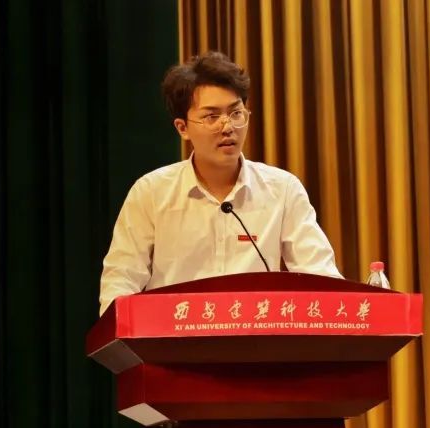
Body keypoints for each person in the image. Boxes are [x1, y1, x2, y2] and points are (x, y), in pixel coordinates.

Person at [98, 51, 341, 315]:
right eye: (211, 117)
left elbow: (320, 276)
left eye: (236, 113)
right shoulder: (151, 193)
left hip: (257, 335)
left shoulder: (282, 189)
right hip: (175, 336)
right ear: (182, 128)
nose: (227, 127)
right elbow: (120, 281)